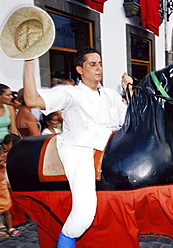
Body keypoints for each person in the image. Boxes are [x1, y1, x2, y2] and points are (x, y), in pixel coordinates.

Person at [23, 47, 132, 247]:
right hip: (79, 147)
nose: (98, 69)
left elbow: (129, 121)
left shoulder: (110, 95)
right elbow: (31, 100)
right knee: (84, 214)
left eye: (100, 64)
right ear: (80, 69)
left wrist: (129, 92)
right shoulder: (70, 93)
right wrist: (29, 62)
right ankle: (65, 241)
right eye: (92, 64)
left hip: (110, 146)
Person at [0, 146, 21, 238]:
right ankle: (1, 227)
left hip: (3, 192)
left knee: (7, 211)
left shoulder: (3, 166)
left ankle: (10, 227)